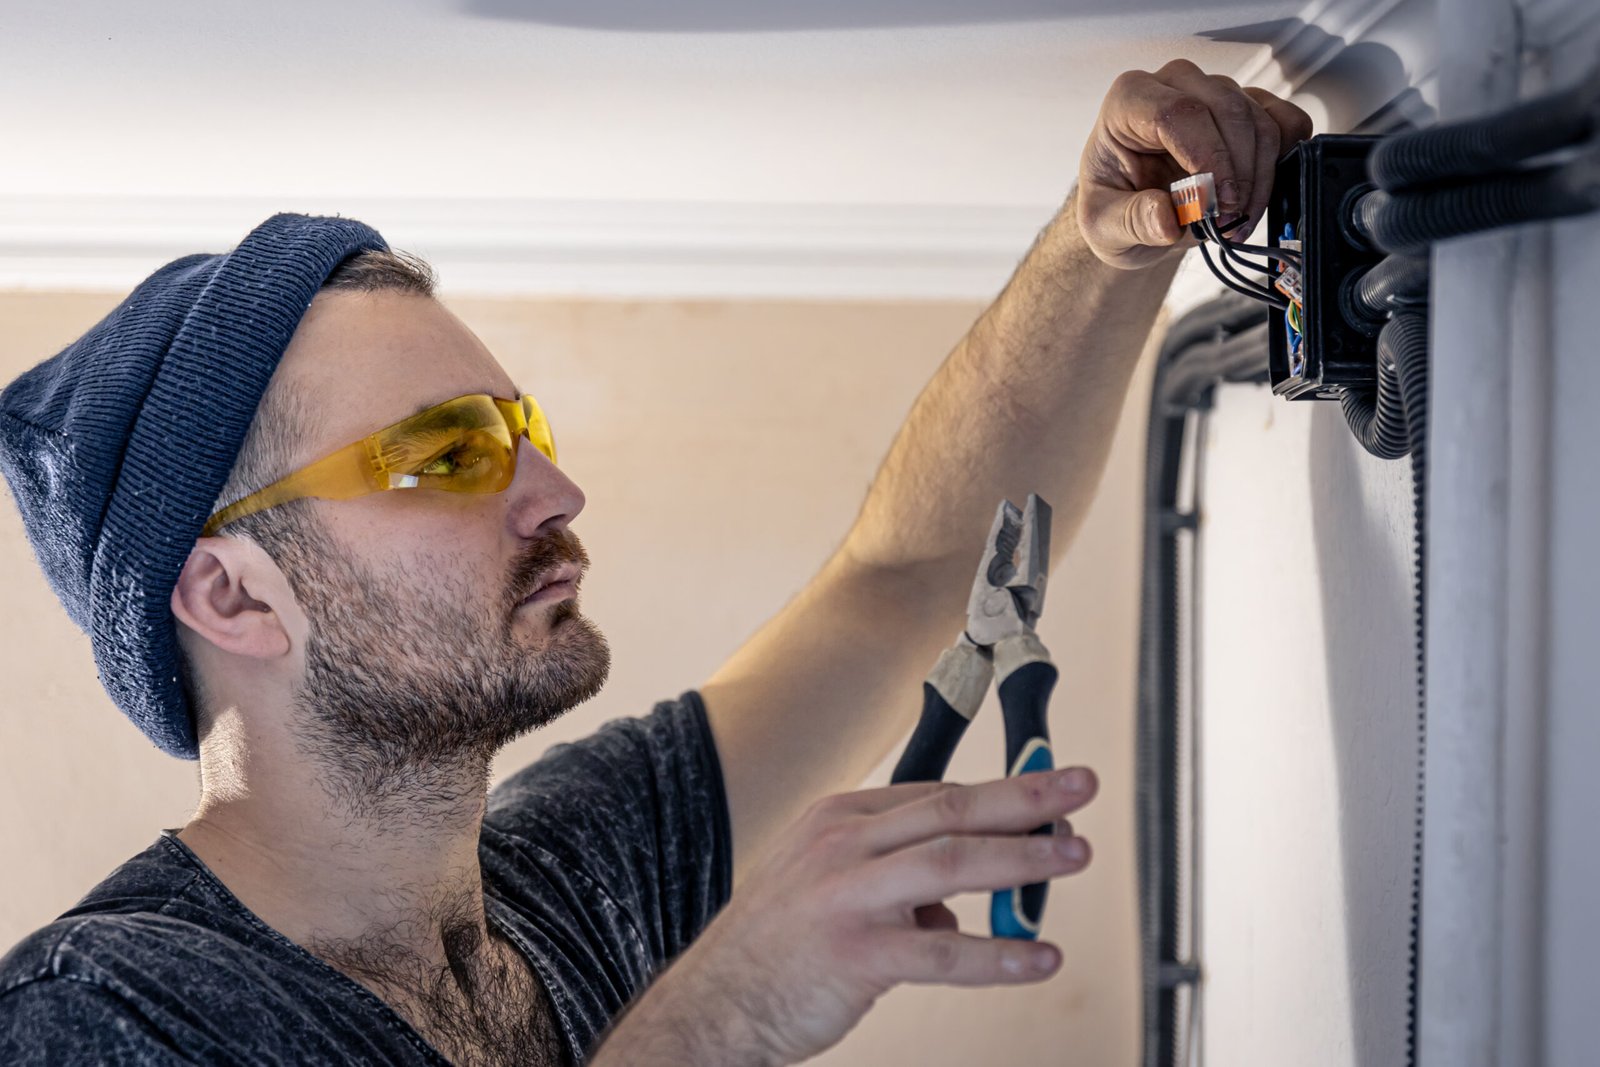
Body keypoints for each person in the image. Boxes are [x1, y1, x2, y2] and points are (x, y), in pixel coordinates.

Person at [0, 61, 1309, 1066]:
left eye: (525, 434)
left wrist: (1097, 247)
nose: (558, 494)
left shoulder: (576, 877)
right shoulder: (96, 1016)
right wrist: (719, 1015)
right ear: (234, 593)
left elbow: (908, 581)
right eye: (451, 455)